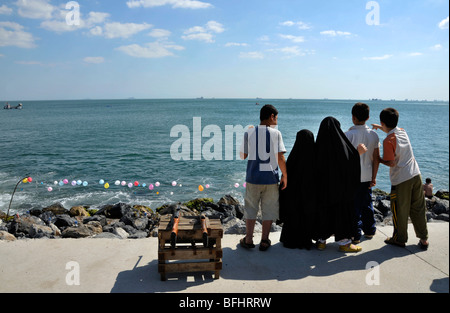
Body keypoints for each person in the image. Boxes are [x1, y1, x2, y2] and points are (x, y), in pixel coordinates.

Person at [372, 108, 429, 250]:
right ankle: (424, 239)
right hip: (416, 175)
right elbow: (392, 132)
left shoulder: (387, 140)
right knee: (418, 208)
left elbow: (391, 162)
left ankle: (399, 239)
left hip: (401, 180)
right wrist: (380, 127)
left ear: (382, 122)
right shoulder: (402, 131)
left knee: (399, 210)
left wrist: (379, 160)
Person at [240, 104, 287, 251]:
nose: (277, 121)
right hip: (270, 179)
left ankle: (248, 239)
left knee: (251, 208)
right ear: (271, 116)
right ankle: (265, 240)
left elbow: (243, 155)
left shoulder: (249, 132)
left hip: (253, 177)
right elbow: (280, 157)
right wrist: (285, 175)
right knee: (268, 209)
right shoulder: (276, 133)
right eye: (276, 118)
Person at [313, 117, 362, 253]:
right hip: (340, 190)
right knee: (342, 214)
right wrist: (358, 153)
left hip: (322, 190)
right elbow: (351, 163)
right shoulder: (343, 147)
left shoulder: (318, 147)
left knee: (323, 212)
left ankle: (321, 241)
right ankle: (344, 243)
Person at [345, 103, 380, 243]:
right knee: (367, 203)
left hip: (352, 177)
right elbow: (376, 159)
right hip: (368, 175)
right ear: (368, 117)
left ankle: (356, 235)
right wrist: (374, 177)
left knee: (354, 207)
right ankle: (370, 230)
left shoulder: (347, 135)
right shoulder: (374, 135)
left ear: (353, 117)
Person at [279, 129, 315, 250]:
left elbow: (284, 181)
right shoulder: (314, 159)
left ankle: (289, 239)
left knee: (292, 215)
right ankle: (305, 240)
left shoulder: (293, 157)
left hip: (293, 200)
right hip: (308, 198)